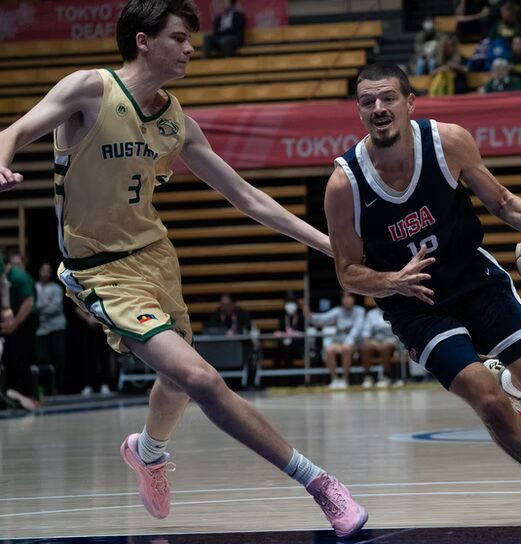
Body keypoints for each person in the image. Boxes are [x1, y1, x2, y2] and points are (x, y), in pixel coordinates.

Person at [0, 1, 367, 537]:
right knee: (200, 377)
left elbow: (249, 198)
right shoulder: (89, 89)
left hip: (157, 260)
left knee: (174, 384)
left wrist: (330, 247)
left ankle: (147, 453)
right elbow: (12, 131)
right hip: (101, 272)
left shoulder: (178, 122)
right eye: (179, 37)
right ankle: (321, 485)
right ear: (144, 41)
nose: (191, 47)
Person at [324, 63, 521, 530]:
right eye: (368, 101)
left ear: (410, 103)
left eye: (388, 98)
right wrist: (391, 282)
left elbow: (504, 203)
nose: (378, 108)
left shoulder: (448, 142)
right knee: (486, 401)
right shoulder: (344, 184)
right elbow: (347, 272)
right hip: (415, 302)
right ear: (359, 111)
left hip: (471, 275)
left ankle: (512, 382)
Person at [0, 251, 39, 411]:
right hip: (15, 321)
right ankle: (13, 393)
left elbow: (29, 302)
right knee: (11, 359)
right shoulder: (9, 276)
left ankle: (27, 395)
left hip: (26, 320)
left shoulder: (17, 276)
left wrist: (14, 323)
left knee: (20, 358)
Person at [310, 291, 365, 389]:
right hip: (339, 342)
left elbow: (356, 330)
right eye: (344, 298)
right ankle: (334, 379)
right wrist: (311, 316)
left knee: (346, 349)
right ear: (341, 300)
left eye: (349, 297)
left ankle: (345, 379)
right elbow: (323, 319)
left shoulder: (360, 311)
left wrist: (347, 343)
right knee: (329, 349)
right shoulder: (338, 311)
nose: (347, 300)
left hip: (355, 343)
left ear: (354, 299)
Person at [34, 262, 67, 394]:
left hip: (56, 327)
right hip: (41, 329)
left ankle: (59, 388)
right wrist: (42, 307)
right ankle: (45, 388)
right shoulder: (34, 286)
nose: (45, 273)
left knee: (59, 357)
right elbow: (32, 305)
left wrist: (40, 308)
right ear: (39, 272)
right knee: (42, 358)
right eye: (43, 270)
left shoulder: (56, 288)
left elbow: (56, 307)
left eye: (48, 271)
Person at [360, 305, 401, 388]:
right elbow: (366, 332)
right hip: (375, 341)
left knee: (384, 347)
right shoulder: (371, 314)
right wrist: (369, 341)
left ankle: (386, 377)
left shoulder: (393, 310)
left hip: (391, 340)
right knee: (365, 347)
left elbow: (398, 331)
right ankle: (368, 377)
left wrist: (385, 342)